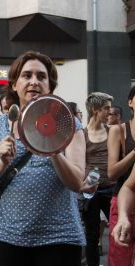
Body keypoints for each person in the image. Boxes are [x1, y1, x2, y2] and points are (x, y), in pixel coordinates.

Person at [0, 51, 88, 266]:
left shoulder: (68, 122)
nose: (34, 82)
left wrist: (53, 147)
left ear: (50, 86)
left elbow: (76, 182)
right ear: (14, 84)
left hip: (59, 239)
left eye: (41, 76)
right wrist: (3, 163)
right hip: (4, 237)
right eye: (27, 76)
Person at [82, 92, 114, 266]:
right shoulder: (82, 134)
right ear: (95, 110)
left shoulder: (112, 131)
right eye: (106, 108)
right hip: (91, 189)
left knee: (118, 230)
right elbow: (79, 163)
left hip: (111, 186)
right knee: (92, 235)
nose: (109, 112)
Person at [107, 85, 135, 266]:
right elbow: (112, 173)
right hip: (123, 197)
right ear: (130, 102)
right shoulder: (119, 130)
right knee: (121, 256)